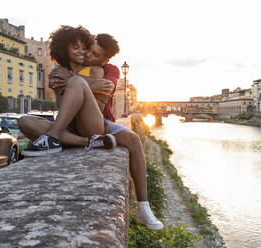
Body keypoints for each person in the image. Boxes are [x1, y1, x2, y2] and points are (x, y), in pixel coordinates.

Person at [19, 25, 163, 230]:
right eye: (74, 47)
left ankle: (143, 206)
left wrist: (77, 83)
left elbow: (101, 102)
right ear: (64, 49)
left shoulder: (100, 70)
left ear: (103, 58)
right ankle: (87, 143)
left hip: (94, 123)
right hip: (69, 127)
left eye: (85, 48)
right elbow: (62, 104)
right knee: (24, 121)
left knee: (132, 139)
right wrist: (77, 84)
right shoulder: (58, 71)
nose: (82, 52)